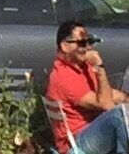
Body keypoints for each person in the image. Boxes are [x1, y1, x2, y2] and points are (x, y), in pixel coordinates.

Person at [46, 19, 129, 154]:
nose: (88, 48)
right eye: (82, 43)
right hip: (76, 144)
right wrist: (99, 66)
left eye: (89, 42)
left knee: (123, 113)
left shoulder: (82, 68)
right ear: (65, 46)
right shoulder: (63, 77)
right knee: (118, 116)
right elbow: (106, 104)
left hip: (91, 131)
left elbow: (108, 94)